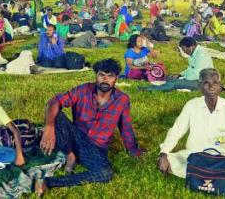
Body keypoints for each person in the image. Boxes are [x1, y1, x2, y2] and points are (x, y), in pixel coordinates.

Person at [35, 59, 144, 195]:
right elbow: (54, 102)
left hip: (95, 149)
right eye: (101, 75)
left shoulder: (122, 99)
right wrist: (49, 128)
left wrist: (134, 149)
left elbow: (125, 127)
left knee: (106, 173)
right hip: (73, 139)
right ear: (95, 75)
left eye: (110, 76)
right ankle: (70, 155)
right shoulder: (83, 90)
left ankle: (48, 182)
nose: (105, 79)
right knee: (56, 114)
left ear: (116, 78)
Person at [157, 68, 225, 188]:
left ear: (220, 86)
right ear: (200, 86)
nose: (211, 87)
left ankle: (199, 174)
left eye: (215, 83)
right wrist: (164, 153)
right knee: (169, 159)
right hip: (194, 156)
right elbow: (176, 131)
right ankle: (217, 176)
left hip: (222, 159)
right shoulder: (191, 106)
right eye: (206, 83)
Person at [141, 37, 213, 92]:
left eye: (184, 49)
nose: (184, 52)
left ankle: (149, 89)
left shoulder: (201, 55)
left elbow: (196, 74)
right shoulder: (193, 53)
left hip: (203, 82)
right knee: (171, 77)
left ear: (191, 46)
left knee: (176, 83)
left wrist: (182, 78)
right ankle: (162, 83)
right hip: (195, 78)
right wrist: (180, 74)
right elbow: (190, 69)